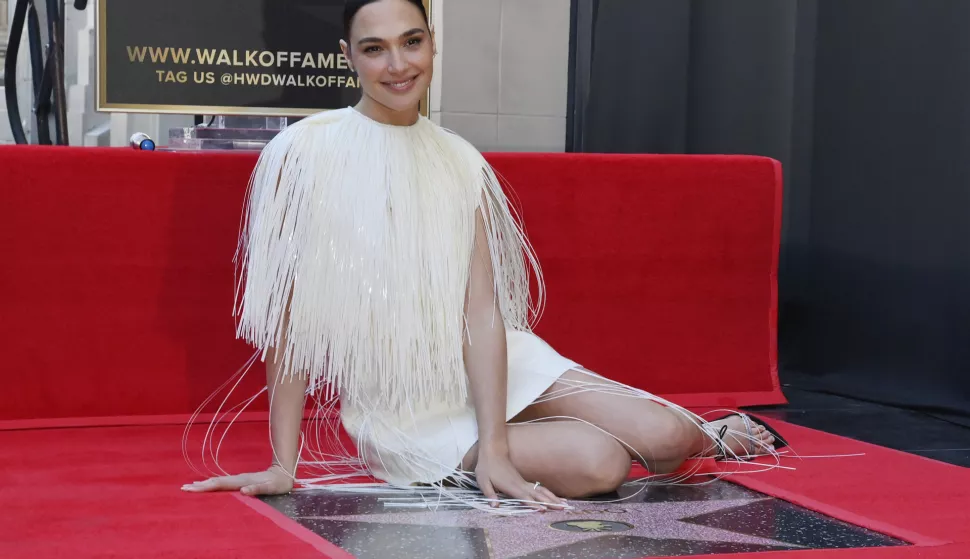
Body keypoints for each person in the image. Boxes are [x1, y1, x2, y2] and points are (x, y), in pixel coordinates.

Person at [181, 0, 785, 512]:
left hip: (497, 364)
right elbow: (291, 324)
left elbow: (481, 314)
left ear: (432, 43)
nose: (398, 65)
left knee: (667, 434)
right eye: (375, 48)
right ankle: (513, 446)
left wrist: (496, 439)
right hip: (408, 407)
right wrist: (283, 464)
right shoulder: (301, 151)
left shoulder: (458, 158)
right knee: (599, 464)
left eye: (411, 42)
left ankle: (702, 435)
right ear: (348, 55)